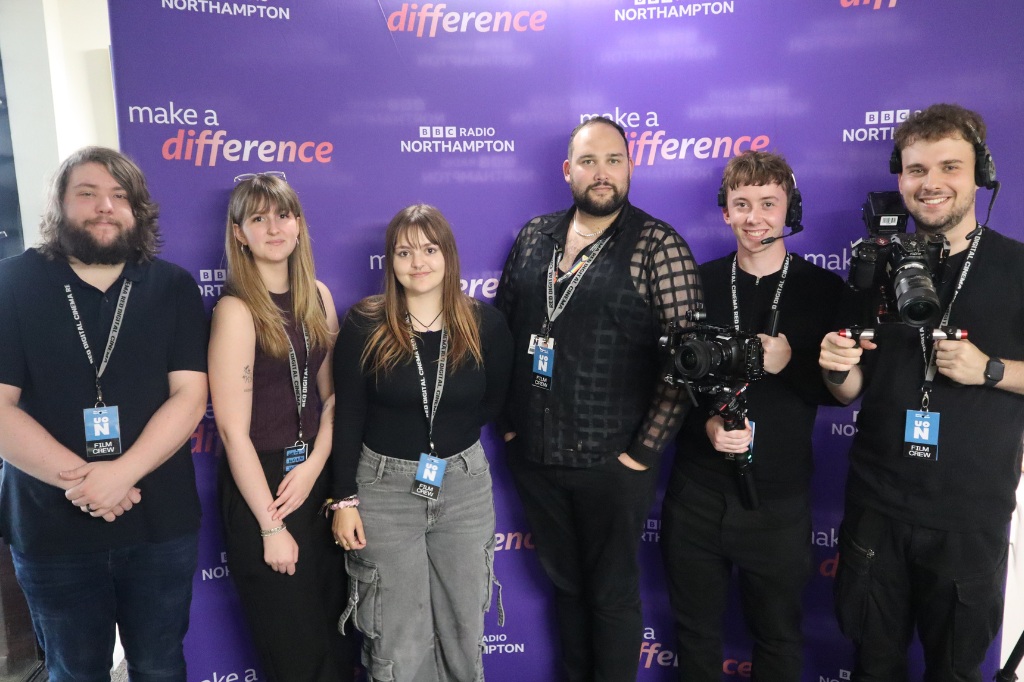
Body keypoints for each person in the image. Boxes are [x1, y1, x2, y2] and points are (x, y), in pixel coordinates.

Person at [819, 103, 1024, 681]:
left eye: (948, 167)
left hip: (968, 517)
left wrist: (989, 369)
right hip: (877, 508)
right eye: (915, 170)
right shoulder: (873, 266)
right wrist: (836, 366)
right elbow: (847, 392)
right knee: (873, 666)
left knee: (953, 672)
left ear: (979, 174)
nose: (930, 183)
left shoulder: (1016, 267)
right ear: (900, 178)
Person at [495, 116, 702, 682]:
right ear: (568, 171)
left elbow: (688, 363)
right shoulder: (534, 236)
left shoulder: (658, 245)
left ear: (630, 166)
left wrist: (640, 454)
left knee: (610, 597)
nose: (601, 172)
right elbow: (503, 336)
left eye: (613, 160)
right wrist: (512, 429)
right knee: (566, 589)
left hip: (613, 461)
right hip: (537, 456)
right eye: (588, 161)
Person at [0, 146, 208, 681]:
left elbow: (189, 396)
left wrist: (121, 474)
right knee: (74, 672)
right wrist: (91, 483)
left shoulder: (173, 287)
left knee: (161, 667)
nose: (104, 207)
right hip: (52, 528)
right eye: (87, 194)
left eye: (119, 196)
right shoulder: (12, 285)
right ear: (60, 205)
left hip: (159, 523)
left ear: (137, 210)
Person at [660, 151, 845, 681]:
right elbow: (676, 380)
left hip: (779, 500)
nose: (755, 217)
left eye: (768, 203)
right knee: (695, 636)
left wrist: (788, 364)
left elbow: (841, 394)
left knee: (779, 638)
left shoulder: (824, 290)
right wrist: (709, 425)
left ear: (790, 209)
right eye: (742, 204)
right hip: (697, 493)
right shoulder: (698, 283)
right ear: (725, 212)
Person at [331, 204, 513, 682]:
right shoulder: (363, 325)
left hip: (463, 487)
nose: (419, 262)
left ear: (449, 256)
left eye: (430, 249)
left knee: (462, 626)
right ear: (389, 261)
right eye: (405, 251)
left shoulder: (485, 325)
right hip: (384, 491)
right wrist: (343, 499)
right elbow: (348, 415)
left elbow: (493, 402)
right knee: (396, 635)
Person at [208, 172, 352, 682]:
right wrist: (272, 528)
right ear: (239, 232)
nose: (274, 228)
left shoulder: (318, 295)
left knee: (337, 643)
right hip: (262, 489)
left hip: (313, 479)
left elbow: (334, 398)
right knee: (296, 653)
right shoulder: (236, 309)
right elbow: (231, 431)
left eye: (283, 215)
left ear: (299, 224)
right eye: (258, 218)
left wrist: (315, 467)